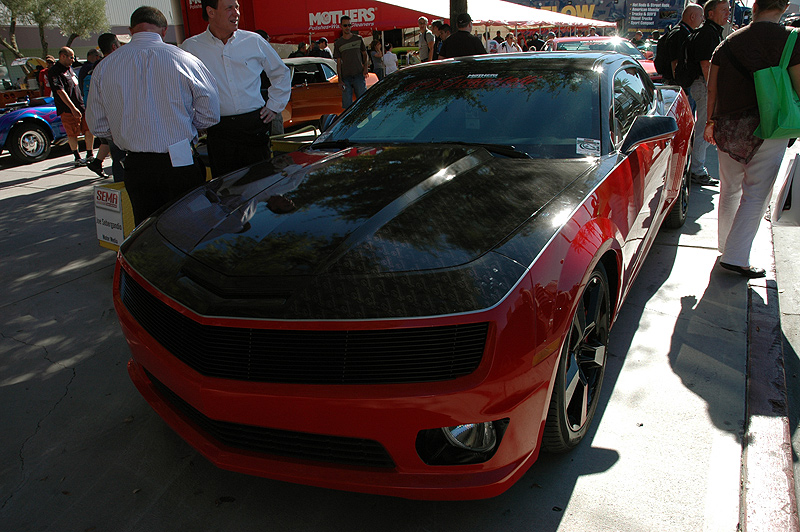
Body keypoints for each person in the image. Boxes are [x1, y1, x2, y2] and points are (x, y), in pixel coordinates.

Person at [86, 6, 220, 226]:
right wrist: (188, 127)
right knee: (191, 226)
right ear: (164, 30)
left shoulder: (105, 67)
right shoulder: (185, 59)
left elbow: (98, 125)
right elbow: (211, 113)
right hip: (180, 158)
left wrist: (125, 131)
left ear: (131, 30)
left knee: (147, 229)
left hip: (136, 164)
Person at [704, 0, 800, 278]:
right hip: (770, 127)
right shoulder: (791, 40)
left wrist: (709, 122)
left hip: (728, 126)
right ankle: (736, 256)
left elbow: (712, 89)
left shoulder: (728, 42)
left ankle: (725, 245)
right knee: (757, 193)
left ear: (755, 6)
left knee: (730, 187)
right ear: (782, 8)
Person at [181, 0, 291, 178]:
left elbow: (281, 73)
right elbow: (184, 89)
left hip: (254, 127)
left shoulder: (253, 41)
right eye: (229, 8)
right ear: (211, 12)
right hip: (219, 132)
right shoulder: (191, 48)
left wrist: (274, 106)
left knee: (261, 185)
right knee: (226, 192)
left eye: (237, 7)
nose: (236, 13)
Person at [686, 0, 730, 186]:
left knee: (702, 126)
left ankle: (695, 167)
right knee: (705, 127)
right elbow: (706, 66)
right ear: (710, 14)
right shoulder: (708, 34)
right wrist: (713, 89)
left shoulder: (710, 32)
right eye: (723, 10)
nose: (727, 14)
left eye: (728, 10)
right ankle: (697, 169)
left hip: (701, 85)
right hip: (703, 85)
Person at [86, 32, 125, 181]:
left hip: (111, 126)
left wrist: (108, 133)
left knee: (117, 160)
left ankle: (120, 188)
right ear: (115, 46)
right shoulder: (119, 66)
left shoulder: (97, 68)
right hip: (121, 126)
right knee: (122, 161)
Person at [48, 47, 95, 167]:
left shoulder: (70, 69)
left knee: (89, 129)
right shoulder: (55, 71)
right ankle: (77, 157)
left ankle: (90, 154)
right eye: (71, 57)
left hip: (81, 105)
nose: (73, 60)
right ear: (63, 56)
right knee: (72, 133)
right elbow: (60, 91)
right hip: (68, 109)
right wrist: (73, 108)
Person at [333, 15, 369, 109]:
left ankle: (369, 122)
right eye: (345, 25)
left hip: (358, 74)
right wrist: (340, 80)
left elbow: (365, 54)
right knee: (347, 106)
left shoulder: (358, 39)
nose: (347, 27)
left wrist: (365, 68)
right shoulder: (338, 43)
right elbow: (338, 62)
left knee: (364, 102)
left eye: (349, 25)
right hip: (346, 78)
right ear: (341, 26)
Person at [665, 3, 705, 85]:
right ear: (692, 17)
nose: (702, 20)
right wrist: (680, 85)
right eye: (701, 16)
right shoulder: (680, 34)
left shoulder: (682, 31)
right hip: (679, 84)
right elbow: (675, 62)